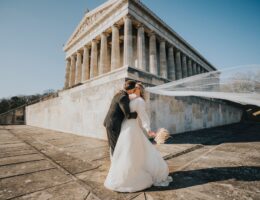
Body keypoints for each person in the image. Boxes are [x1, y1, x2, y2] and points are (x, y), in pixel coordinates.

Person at [104, 82, 172, 192]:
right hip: (123, 127)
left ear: (140, 90)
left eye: (136, 89)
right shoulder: (128, 97)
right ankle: (121, 172)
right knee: (122, 151)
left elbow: (143, 116)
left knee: (130, 150)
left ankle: (131, 175)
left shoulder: (140, 101)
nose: (134, 90)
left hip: (131, 127)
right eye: (134, 88)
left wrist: (148, 128)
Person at [103, 80, 138, 156]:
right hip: (113, 124)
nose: (134, 91)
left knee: (113, 146)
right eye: (134, 89)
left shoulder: (118, 94)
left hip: (110, 122)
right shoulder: (123, 97)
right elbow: (128, 115)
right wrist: (136, 114)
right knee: (115, 147)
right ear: (131, 89)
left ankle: (115, 163)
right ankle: (115, 166)